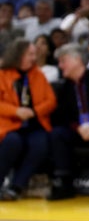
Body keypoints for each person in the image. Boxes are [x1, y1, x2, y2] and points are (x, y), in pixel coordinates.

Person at [47, 43, 89, 202]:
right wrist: (78, 128)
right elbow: (61, 117)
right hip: (78, 132)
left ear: (77, 60)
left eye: (64, 60)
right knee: (58, 133)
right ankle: (64, 182)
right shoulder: (65, 87)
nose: (60, 65)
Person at [0, 38, 56, 201]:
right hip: (10, 124)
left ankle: (17, 186)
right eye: (30, 54)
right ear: (18, 55)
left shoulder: (38, 74)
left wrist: (33, 111)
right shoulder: (3, 74)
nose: (34, 57)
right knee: (12, 142)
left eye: (34, 54)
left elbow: (51, 101)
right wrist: (16, 111)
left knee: (40, 145)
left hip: (34, 124)